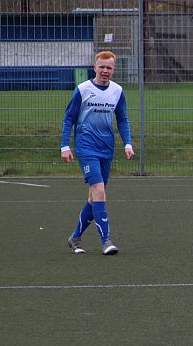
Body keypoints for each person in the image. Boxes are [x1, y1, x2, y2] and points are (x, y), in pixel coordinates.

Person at [61, 51, 134, 256]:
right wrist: (64, 146)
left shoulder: (118, 91)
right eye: (101, 67)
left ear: (114, 69)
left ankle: (75, 237)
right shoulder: (83, 89)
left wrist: (127, 143)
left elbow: (122, 119)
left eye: (109, 67)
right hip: (86, 148)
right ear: (94, 67)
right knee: (100, 191)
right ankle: (106, 240)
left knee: (95, 197)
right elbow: (69, 119)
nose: (105, 71)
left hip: (106, 149)